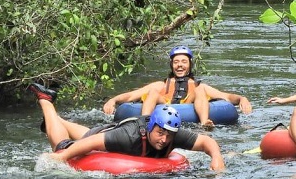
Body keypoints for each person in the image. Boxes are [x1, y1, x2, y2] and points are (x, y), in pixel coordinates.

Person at [29, 83, 226, 171]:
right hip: (105, 135)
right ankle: (46, 101)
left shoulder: (172, 132)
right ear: (151, 126)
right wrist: (62, 157)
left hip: (109, 130)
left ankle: (57, 121)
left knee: (87, 133)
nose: (164, 139)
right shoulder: (128, 137)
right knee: (63, 145)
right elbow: (93, 142)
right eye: (160, 133)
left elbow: (206, 141)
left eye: (168, 136)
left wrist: (217, 158)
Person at [102, 45, 252, 128]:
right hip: (164, 105)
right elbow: (130, 96)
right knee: (153, 92)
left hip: (188, 106)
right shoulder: (161, 84)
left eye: (184, 62)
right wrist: (113, 100)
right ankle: (144, 123)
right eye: (176, 62)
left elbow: (226, 97)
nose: (180, 65)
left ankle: (204, 122)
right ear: (172, 65)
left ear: (189, 65)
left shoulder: (198, 85)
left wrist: (242, 99)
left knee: (201, 90)